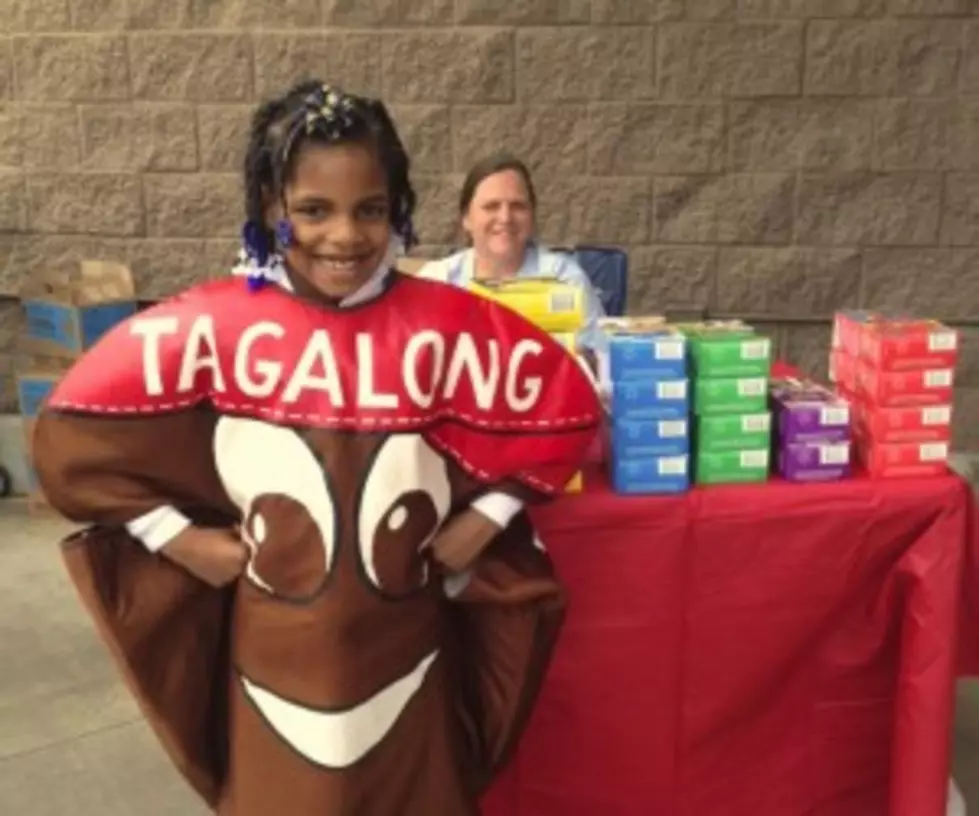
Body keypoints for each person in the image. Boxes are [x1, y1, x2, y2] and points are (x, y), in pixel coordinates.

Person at [31, 81, 602, 816]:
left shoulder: (449, 324)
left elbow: (567, 406)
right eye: (312, 210)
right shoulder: (213, 326)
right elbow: (72, 439)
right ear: (270, 209)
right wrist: (176, 539)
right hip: (272, 649)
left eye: (368, 209)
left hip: (408, 642)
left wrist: (487, 517)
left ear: (396, 208)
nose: (344, 236)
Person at [417, 153, 607, 352]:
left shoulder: (564, 279)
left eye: (518, 206)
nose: (505, 217)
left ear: (531, 216)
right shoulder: (437, 282)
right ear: (466, 218)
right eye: (491, 206)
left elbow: (602, 359)